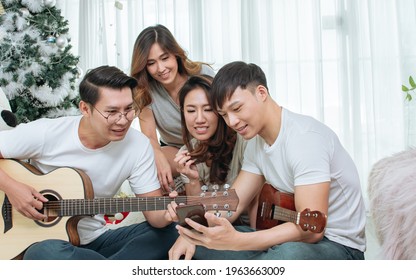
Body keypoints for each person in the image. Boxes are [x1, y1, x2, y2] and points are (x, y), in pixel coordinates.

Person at [169, 61, 367, 260]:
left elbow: (312, 232)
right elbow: (232, 204)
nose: (232, 122)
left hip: (338, 245)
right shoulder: (256, 143)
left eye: (236, 108)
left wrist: (238, 241)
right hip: (289, 241)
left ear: (261, 93)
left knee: (285, 256)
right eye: (224, 115)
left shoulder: (305, 139)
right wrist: (193, 230)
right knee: (199, 250)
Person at [0, 65, 178, 260]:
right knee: (43, 252)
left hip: (95, 242)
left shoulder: (138, 146)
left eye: (129, 109)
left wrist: (167, 215)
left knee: (173, 232)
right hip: (47, 243)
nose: (123, 120)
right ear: (85, 108)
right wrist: (12, 188)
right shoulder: (47, 133)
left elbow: (155, 217)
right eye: (111, 112)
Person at [130, 24, 215, 192]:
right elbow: (150, 138)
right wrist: (159, 158)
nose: (161, 69)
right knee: (152, 160)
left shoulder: (202, 73)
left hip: (212, 144)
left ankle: (192, 185)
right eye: (151, 63)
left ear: (175, 54)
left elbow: (223, 114)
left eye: (164, 58)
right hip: (176, 150)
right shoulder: (144, 91)